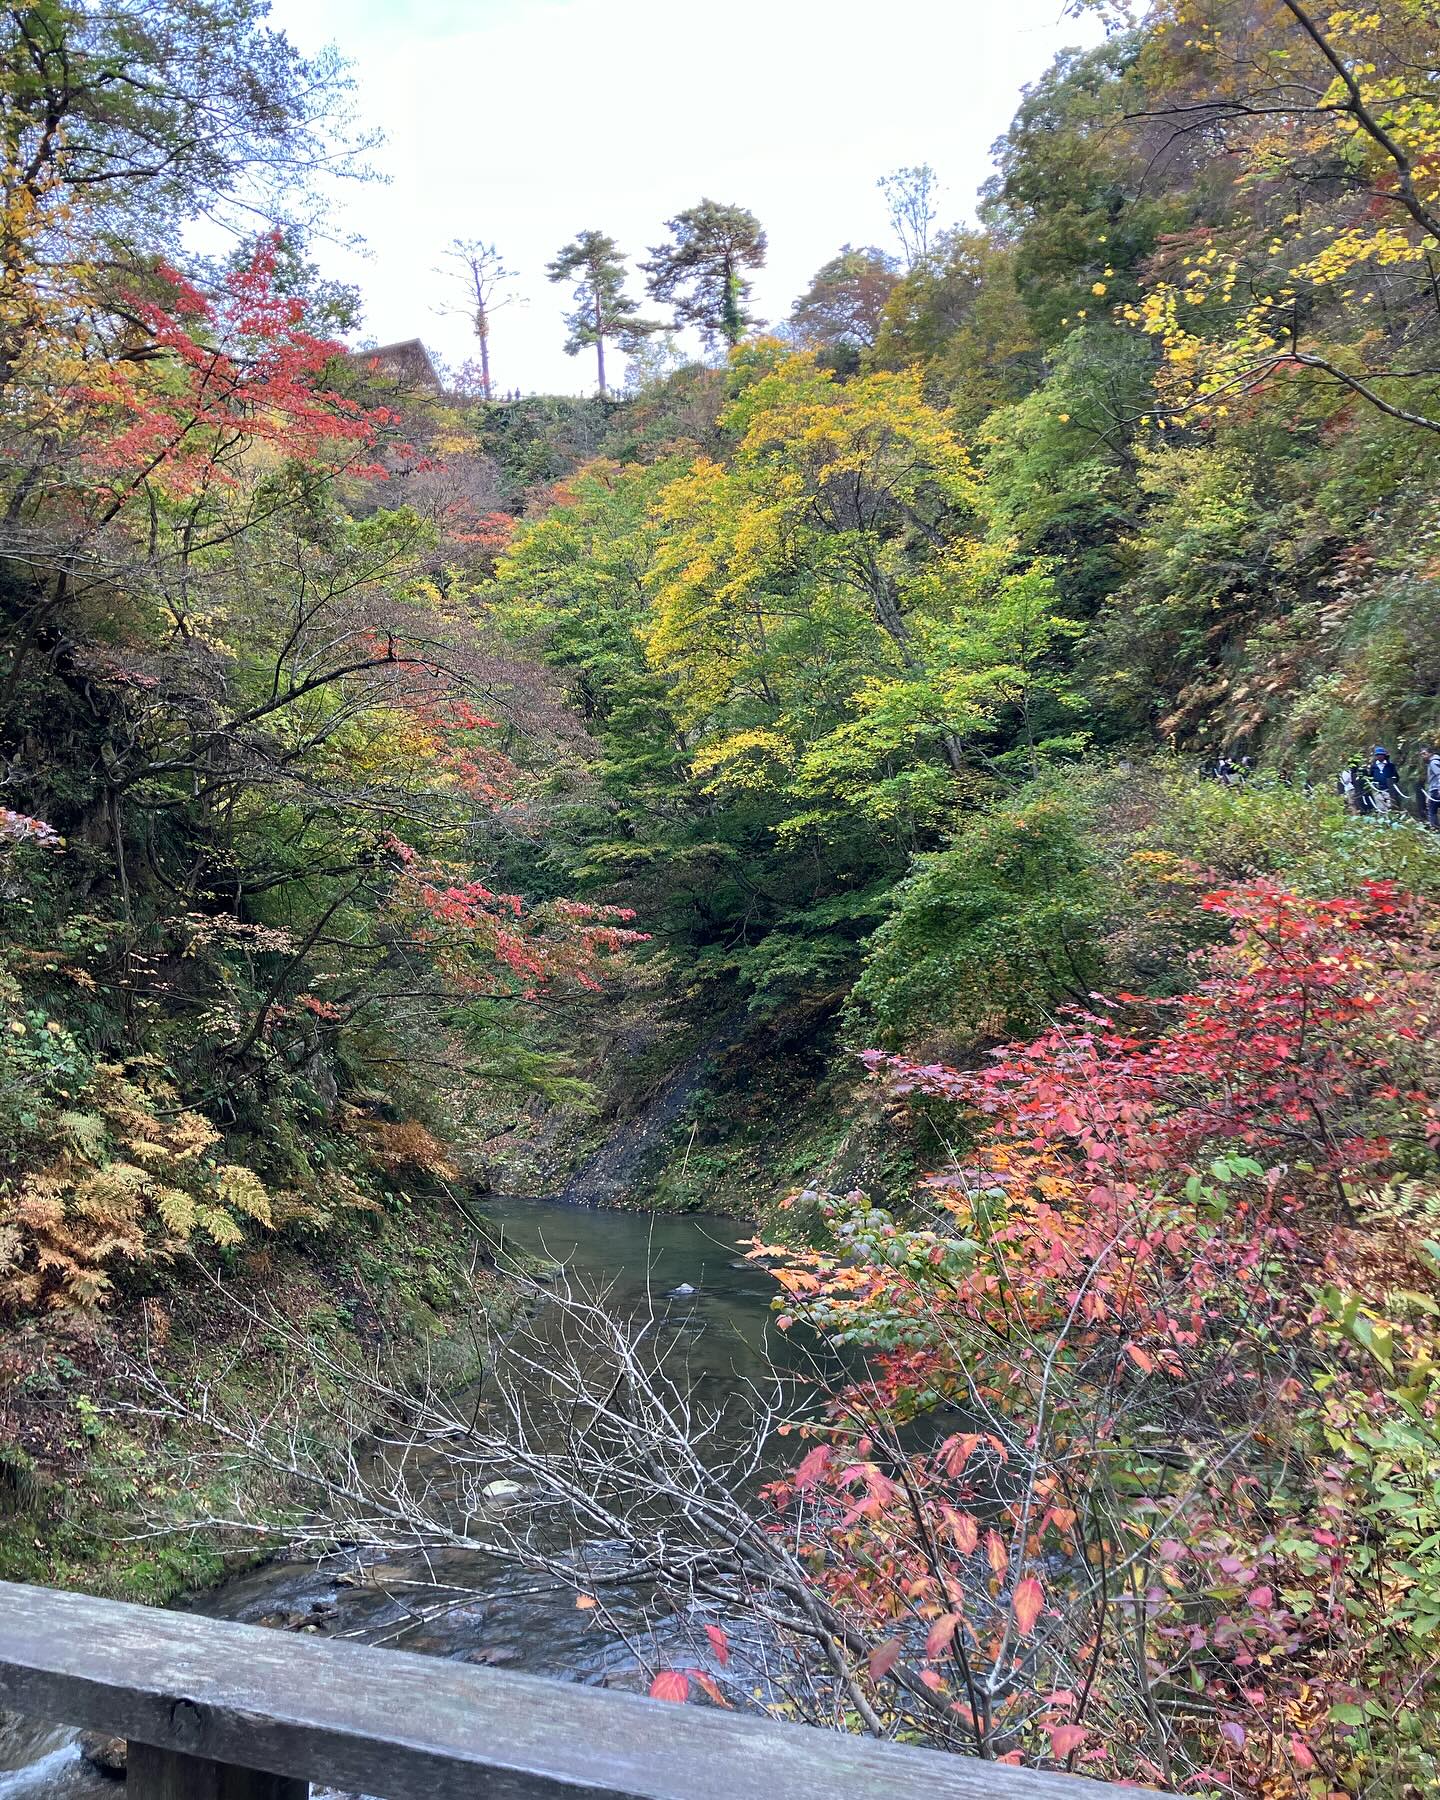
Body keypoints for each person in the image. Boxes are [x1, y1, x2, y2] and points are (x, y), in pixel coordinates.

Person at [1367, 745, 1405, 816]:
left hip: (1388, 789)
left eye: (1381, 755)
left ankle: (1390, 820)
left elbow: (1396, 777)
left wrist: (1392, 783)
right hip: (1377, 789)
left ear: (1384, 755)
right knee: (1380, 807)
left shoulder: (1390, 766)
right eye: (1378, 755)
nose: (1379, 756)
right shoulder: (1373, 766)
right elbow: (1370, 777)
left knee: (1390, 806)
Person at [1421, 746, 1440, 830]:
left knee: (1432, 811)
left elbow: (1439, 775)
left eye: (1425, 754)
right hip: (1434, 789)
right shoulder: (1434, 762)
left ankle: (1435, 829)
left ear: (1430, 753)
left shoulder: (1433, 763)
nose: (1423, 756)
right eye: (1421, 754)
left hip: (1436, 790)